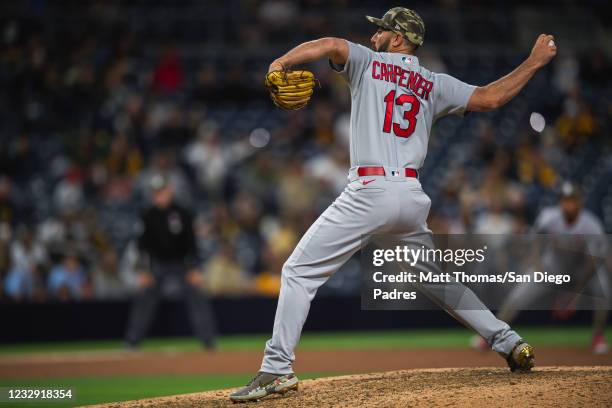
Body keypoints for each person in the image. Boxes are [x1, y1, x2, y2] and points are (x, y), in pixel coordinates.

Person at [229, 7, 557, 402]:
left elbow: (329, 44)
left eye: (381, 30)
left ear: (399, 38)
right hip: (411, 198)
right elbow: (490, 98)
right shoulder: (433, 83)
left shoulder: (369, 63)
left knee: (298, 271)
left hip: (370, 190)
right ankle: (509, 341)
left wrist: (281, 61)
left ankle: (276, 370)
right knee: (437, 281)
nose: (374, 36)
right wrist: (534, 62)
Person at [472, 181, 610, 354]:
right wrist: (537, 265)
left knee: (603, 289)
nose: (568, 204)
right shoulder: (549, 216)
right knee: (518, 294)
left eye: (572, 200)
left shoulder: (591, 224)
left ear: (579, 202)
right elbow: (536, 240)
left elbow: (594, 261)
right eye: (565, 199)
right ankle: (493, 335)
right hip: (554, 264)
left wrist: (575, 294)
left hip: (582, 268)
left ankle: (598, 336)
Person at [124, 174, 217, 349]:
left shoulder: (182, 213)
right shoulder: (148, 215)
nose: (159, 196)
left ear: (170, 191)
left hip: (181, 264)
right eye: (156, 192)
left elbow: (191, 243)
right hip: (157, 264)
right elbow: (143, 246)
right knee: (145, 297)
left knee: (197, 294)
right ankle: (131, 341)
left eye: (162, 191)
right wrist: (145, 270)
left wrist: (194, 268)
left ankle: (208, 341)